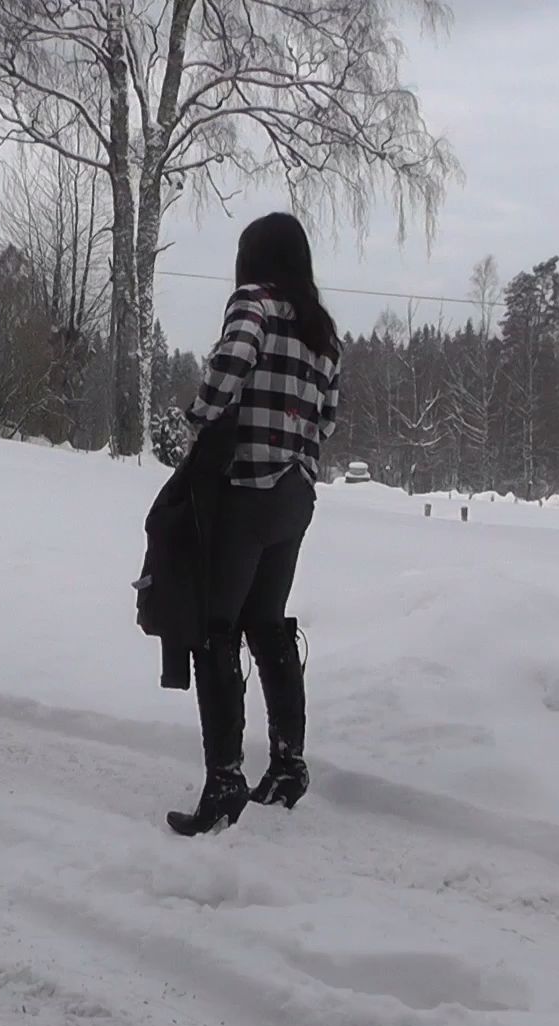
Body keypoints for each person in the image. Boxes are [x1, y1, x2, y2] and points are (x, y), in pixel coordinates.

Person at [166, 212, 341, 837]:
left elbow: (233, 359)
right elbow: (327, 418)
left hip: (244, 493)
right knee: (267, 625)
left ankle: (225, 780)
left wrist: (202, 410)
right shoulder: (323, 330)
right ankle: (289, 767)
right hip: (295, 496)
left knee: (217, 630)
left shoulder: (254, 304)